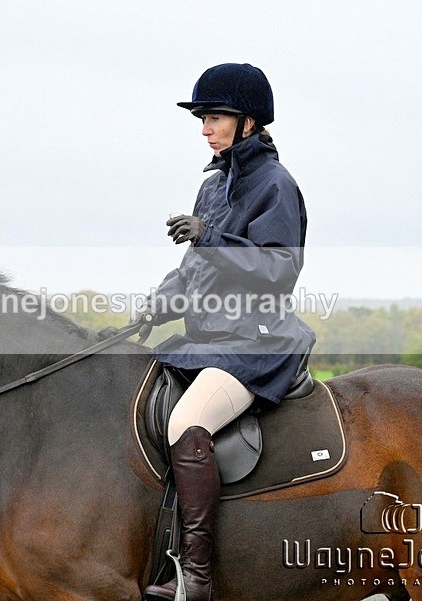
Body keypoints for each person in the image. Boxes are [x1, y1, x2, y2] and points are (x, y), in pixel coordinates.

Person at [140, 63, 316, 601]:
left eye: (214, 116)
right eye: (202, 117)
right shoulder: (214, 187)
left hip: (254, 343)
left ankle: (195, 577)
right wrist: (152, 308)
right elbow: (196, 272)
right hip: (208, 338)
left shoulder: (276, 185)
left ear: (248, 122)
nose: (204, 127)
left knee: (188, 420)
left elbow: (280, 270)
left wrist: (210, 236)